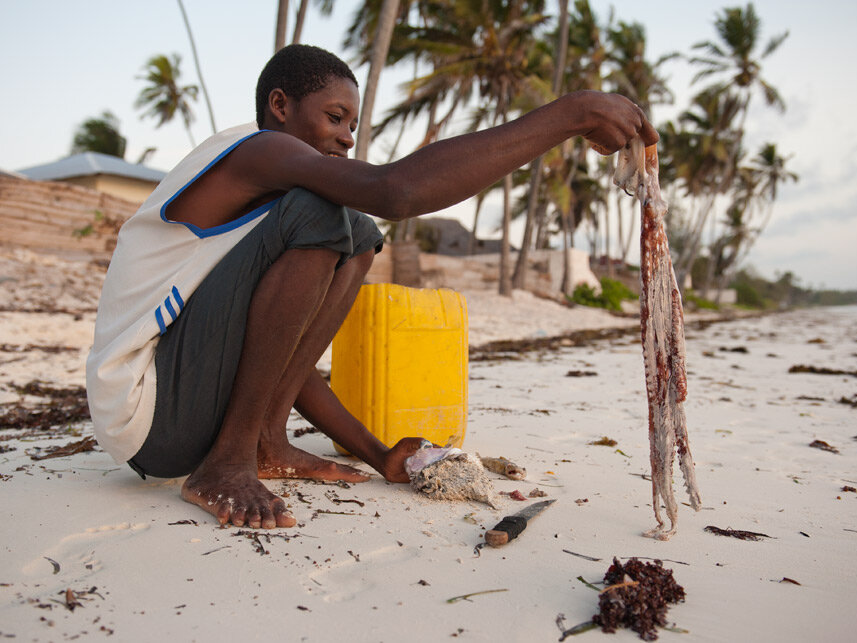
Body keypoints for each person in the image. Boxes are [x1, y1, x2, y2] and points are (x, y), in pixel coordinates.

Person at [86, 44, 658, 530]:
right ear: (279, 107)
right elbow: (395, 192)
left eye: (352, 125)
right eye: (335, 118)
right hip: (147, 408)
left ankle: (264, 441)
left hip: (180, 412)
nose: (346, 138)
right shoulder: (257, 151)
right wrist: (571, 115)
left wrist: (380, 455)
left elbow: (273, 351)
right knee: (332, 212)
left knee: (356, 234)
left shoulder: (269, 210)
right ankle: (229, 459)